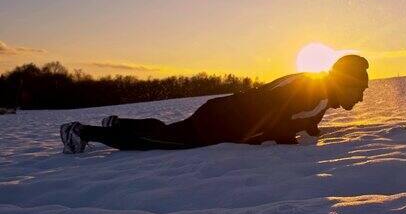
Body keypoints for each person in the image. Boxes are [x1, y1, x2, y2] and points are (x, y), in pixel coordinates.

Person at [59, 55, 369, 153]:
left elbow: (298, 114)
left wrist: (309, 130)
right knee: (155, 142)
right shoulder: (315, 92)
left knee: (166, 131)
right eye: (360, 88)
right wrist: (288, 138)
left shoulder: (319, 91)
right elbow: (277, 117)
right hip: (219, 122)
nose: (362, 96)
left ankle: (116, 124)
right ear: (344, 81)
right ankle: (81, 132)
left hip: (222, 114)